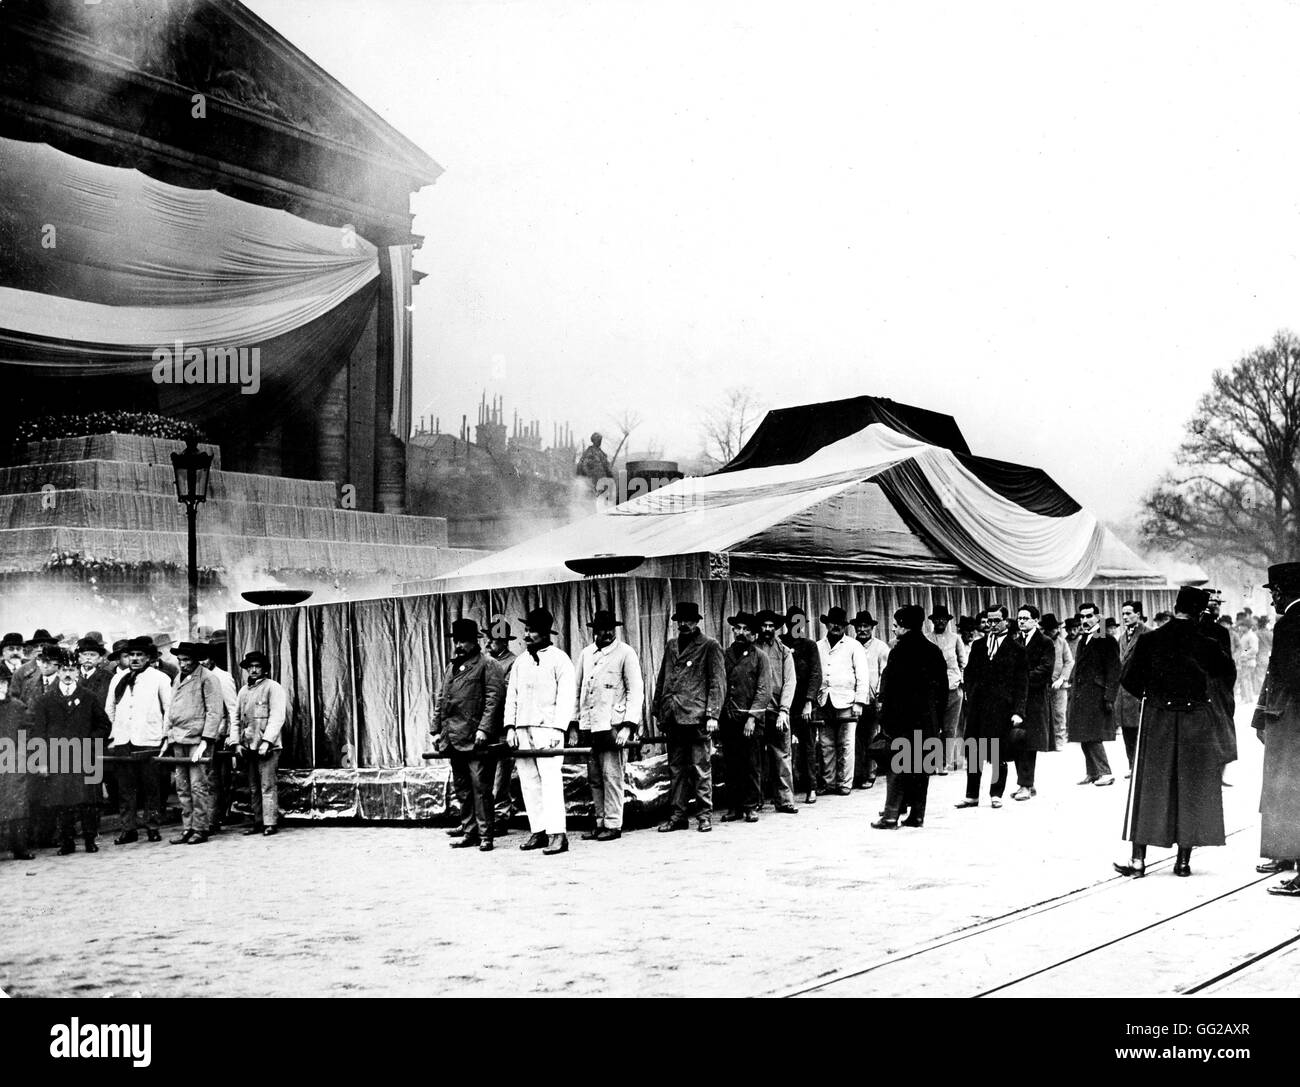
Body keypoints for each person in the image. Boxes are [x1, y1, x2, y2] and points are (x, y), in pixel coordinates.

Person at [1114, 586, 1234, 878]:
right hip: (1196, 718)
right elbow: (1227, 675)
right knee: (1191, 785)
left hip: (1158, 718)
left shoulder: (1150, 639)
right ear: (1201, 611)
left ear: (1175, 605)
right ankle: (1183, 862)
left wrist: (1153, 693)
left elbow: (1128, 680)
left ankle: (1139, 861)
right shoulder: (1207, 642)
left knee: (1150, 786)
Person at [504, 608, 576, 856]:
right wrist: (510, 727)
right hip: (523, 729)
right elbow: (511, 697)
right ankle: (539, 830)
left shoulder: (560, 659)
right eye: (526, 630)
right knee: (529, 782)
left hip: (548, 730)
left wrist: (559, 728)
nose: (527, 635)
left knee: (551, 781)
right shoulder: (520, 663)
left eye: (532, 631)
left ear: (546, 633)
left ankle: (558, 834)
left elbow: (567, 697)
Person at [872, 605, 948, 829]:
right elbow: (943, 692)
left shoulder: (899, 652)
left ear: (905, 627)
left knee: (897, 768)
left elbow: (891, 691)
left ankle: (890, 817)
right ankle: (917, 816)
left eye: (896, 626)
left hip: (901, 722)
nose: (894, 630)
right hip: (927, 722)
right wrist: (937, 721)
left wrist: (885, 721)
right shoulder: (933, 651)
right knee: (921, 769)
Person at [571, 609, 643, 841]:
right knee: (595, 777)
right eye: (602, 629)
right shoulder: (586, 654)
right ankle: (600, 821)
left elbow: (635, 691)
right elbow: (577, 689)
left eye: (610, 629)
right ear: (594, 631)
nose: (607, 633)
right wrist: (574, 724)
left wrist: (628, 726)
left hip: (613, 724)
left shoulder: (625, 653)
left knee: (612, 776)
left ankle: (613, 823)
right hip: (590, 725)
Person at [430, 621, 503, 851]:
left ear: (475, 641)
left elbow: (494, 700)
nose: (459, 645)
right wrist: (435, 730)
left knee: (481, 788)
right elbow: (442, 700)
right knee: (462, 788)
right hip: (453, 737)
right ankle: (469, 831)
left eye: (463, 641)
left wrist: (484, 729)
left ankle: (485, 836)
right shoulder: (452, 667)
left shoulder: (488, 664)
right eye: (456, 641)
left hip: (476, 739)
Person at [31, 649, 111, 855]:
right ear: (58, 672)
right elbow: (38, 732)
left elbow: (103, 725)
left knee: (88, 802)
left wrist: (91, 742)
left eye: (72, 669)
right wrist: (41, 761)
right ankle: (66, 842)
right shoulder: (46, 700)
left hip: (84, 756)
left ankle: (90, 840)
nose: (68, 674)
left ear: (77, 672)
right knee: (62, 802)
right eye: (64, 669)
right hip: (58, 758)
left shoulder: (88, 697)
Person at [654, 601, 725, 833]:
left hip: (697, 718)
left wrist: (712, 714)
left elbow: (717, 682)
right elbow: (663, 678)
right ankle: (678, 816)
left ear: (697, 621)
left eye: (688, 620)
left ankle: (704, 816)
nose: (683, 624)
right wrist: (658, 709)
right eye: (680, 621)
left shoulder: (709, 646)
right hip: (673, 717)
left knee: (700, 768)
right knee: (676, 769)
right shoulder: (671, 645)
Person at [1253, 564, 1300, 893]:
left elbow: (1285, 675)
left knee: (1290, 792)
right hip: (1288, 716)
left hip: (1291, 719)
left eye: (1274, 594)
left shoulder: (1289, 624)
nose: (1272, 601)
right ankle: (1286, 853)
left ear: (1284, 592)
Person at [956, 605, 1026, 809]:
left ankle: (996, 794)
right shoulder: (978, 646)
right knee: (974, 750)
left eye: (996, 621)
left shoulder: (1016, 649)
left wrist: (1018, 711)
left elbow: (1022, 684)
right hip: (978, 708)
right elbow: (968, 673)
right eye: (989, 621)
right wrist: (971, 692)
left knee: (998, 751)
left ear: (1006, 621)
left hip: (1002, 709)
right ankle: (971, 795)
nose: (992, 625)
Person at [106, 636, 171, 843]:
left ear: (148, 658)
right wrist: (114, 734)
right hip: (124, 740)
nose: (134, 659)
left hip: (149, 739)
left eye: (139, 655)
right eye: (131, 655)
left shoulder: (159, 678)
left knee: (151, 787)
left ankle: (152, 826)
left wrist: (164, 736)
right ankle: (129, 828)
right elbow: (110, 708)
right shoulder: (118, 678)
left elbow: (168, 709)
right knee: (126, 788)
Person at [163, 641, 224, 845]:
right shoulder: (177, 678)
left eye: (187, 659)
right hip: (178, 738)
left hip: (198, 739)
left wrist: (206, 741)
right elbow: (171, 710)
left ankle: (201, 827)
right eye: (180, 660)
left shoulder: (208, 678)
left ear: (196, 659)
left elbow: (214, 712)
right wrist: (167, 737)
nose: (183, 663)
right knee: (182, 786)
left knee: (198, 785)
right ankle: (187, 827)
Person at [720, 612, 771, 824]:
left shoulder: (760, 657)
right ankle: (735, 807)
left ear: (754, 633)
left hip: (750, 720)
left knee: (751, 764)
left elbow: (764, 690)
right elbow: (719, 685)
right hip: (729, 718)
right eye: (738, 628)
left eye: (746, 629)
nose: (741, 633)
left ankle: (751, 806)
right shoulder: (724, 655)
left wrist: (752, 717)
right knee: (731, 764)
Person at [815, 606, 870, 796]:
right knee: (826, 744)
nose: (836, 626)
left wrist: (859, 702)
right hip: (824, 701)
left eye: (840, 624)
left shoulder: (854, 646)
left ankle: (845, 783)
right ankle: (828, 782)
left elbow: (863, 676)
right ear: (826, 624)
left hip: (847, 701)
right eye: (833, 623)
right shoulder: (818, 646)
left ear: (845, 626)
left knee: (846, 743)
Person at [1068, 603, 1120, 786]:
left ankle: (1106, 772)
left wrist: (1109, 697)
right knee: (1083, 734)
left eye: (1089, 616)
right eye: (1082, 617)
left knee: (1094, 734)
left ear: (1098, 617)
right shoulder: (1085, 639)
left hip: (1097, 695)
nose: (1085, 620)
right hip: (1082, 694)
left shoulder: (1105, 638)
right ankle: (1093, 772)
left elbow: (1114, 671)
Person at [755, 609, 798, 814]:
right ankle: (756, 800)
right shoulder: (752, 650)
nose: (768, 629)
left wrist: (784, 710)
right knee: (755, 759)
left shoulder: (784, 652)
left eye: (771, 626)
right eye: (764, 625)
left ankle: (785, 800)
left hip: (777, 712)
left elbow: (790, 682)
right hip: (756, 713)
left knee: (781, 755)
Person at [1011, 604, 1055, 800]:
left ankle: (1026, 785)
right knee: (1016, 741)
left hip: (1035, 700)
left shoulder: (1045, 642)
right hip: (1017, 701)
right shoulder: (1015, 641)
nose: (1021, 621)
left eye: (1025, 618)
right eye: (1019, 618)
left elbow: (1046, 669)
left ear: (1036, 621)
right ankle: (1026, 783)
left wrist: (1022, 679)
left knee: (1029, 743)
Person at [780, 606, 822, 804]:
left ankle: (811, 788)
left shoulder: (810, 646)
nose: (796, 626)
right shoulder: (780, 644)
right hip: (784, 703)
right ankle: (783, 791)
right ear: (788, 625)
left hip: (803, 704)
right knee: (782, 748)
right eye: (792, 622)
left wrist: (808, 703)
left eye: (800, 622)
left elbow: (815, 675)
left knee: (808, 747)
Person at [485, 616, 519, 836]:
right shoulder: (484, 661)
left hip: (503, 725)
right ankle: (483, 819)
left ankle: (501, 817)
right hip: (486, 726)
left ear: (504, 642)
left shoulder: (513, 662)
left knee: (501, 777)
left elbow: (504, 693)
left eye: (493, 640)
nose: (488, 644)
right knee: (483, 776)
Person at [926, 604, 968, 774]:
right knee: (934, 727)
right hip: (933, 690)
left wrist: (961, 683)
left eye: (943, 619)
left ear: (948, 621)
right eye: (937, 619)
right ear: (933, 621)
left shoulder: (956, 638)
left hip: (952, 688)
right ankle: (933, 761)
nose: (940, 622)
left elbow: (963, 663)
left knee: (950, 728)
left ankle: (945, 762)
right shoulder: (927, 638)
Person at [851, 610, 889, 787]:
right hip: (854, 700)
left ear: (872, 627)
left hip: (873, 700)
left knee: (872, 737)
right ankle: (857, 774)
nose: (862, 629)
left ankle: (871, 774)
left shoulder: (881, 648)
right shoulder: (851, 645)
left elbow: (885, 674)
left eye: (866, 626)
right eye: (859, 626)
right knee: (855, 739)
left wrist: (881, 699)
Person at [0, 669, 35, 860]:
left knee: (17, 807)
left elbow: (29, 732)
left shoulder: (18, 707)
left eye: (3, 683)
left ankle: (20, 848)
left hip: (14, 763)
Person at [1115, 600, 1148, 773]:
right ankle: (1132, 765)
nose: (1125, 617)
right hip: (1124, 691)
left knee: (1142, 731)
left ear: (1138, 614)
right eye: (1123, 614)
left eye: (1129, 613)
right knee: (1127, 731)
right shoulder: (1121, 637)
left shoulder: (1148, 634)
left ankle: (1142, 767)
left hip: (1139, 690)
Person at [1042, 613, 1073, 752]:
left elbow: (1069, 661)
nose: (1053, 632)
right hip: (1044, 684)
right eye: (1050, 629)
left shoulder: (1062, 642)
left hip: (1060, 685)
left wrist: (1062, 678)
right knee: (1045, 713)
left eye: (1055, 629)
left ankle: (1060, 740)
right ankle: (1047, 742)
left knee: (1060, 713)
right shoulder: (1041, 641)